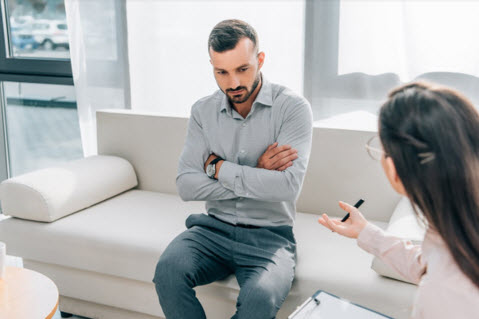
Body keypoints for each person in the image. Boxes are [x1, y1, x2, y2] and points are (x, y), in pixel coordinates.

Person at [153, 19, 313, 319]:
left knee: (259, 298)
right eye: (221, 72)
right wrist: (257, 170)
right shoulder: (203, 111)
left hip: (271, 237)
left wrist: (217, 167)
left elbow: (287, 186)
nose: (233, 83)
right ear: (211, 66)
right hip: (211, 230)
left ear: (260, 60)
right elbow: (187, 185)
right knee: (168, 271)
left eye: (243, 69)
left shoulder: (292, 108)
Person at [318, 82, 479, 318]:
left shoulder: (446, 294)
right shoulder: (457, 226)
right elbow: (428, 264)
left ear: (394, 169)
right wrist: (365, 231)